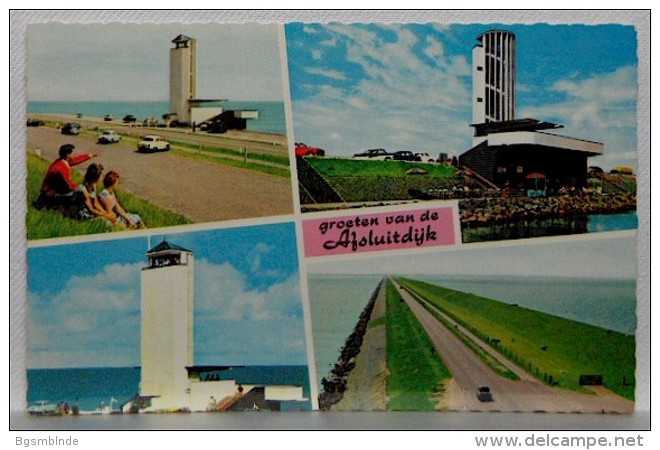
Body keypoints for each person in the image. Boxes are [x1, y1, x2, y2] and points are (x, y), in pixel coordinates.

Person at [35, 144, 100, 210]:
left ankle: (91, 206)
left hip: (52, 192)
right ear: (68, 155)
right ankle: (91, 209)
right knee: (81, 190)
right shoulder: (60, 168)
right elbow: (68, 186)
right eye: (73, 153)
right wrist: (83, 189)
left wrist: (90, 155)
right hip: (49, 196)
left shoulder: (62, 161)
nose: (75, 154)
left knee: (82, 190)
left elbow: (77, 159)